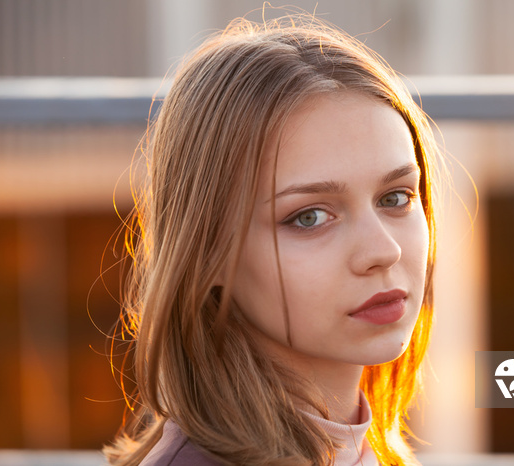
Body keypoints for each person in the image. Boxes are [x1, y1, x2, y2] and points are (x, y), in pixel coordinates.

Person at [104, 12, 443, 466]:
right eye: (309, 217)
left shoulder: (354, 447)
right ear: (209, 252)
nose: (384, 251)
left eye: (396, 197)